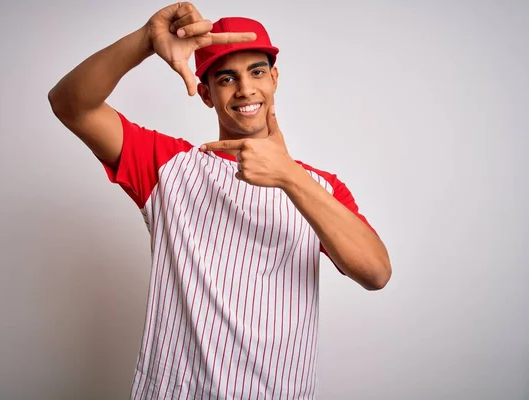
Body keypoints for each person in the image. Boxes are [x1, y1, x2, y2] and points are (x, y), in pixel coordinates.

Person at [48, 2, 391, 399]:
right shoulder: (166, 167)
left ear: (275, 78)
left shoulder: (320, 187)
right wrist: (145, 40)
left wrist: (289, 176)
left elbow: (376, 273)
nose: (246, 89)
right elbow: (70, 103)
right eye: (227, 78)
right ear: (206, 94)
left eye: (257, 72)